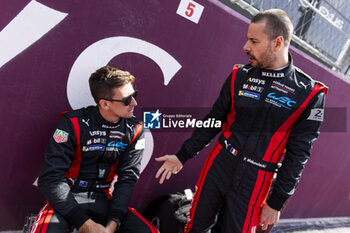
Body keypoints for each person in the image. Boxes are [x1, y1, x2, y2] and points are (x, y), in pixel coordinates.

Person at [155, 9, 328, 233]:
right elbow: (214, 120)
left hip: (257, 177)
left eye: (253, 41)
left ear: (277, 43)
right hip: (220, 162)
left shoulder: (310, 94)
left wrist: (276, 202)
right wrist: (182, 155)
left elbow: (298, 155)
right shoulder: (239, 75)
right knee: (195, 227)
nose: (245, 47)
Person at [31, 66, 158, 233]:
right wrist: (86, 225)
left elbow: (127, 178)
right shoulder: (72, 123)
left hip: (104, 198)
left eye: (135, 95)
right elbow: (50, 180)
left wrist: (113, 224)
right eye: (127, 99)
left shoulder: (135, 129)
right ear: (104, 103)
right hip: (68, 197)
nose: (135, 103)